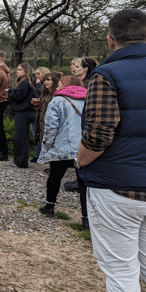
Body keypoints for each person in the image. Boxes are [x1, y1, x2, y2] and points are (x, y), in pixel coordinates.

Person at [75, 9, 146, 292]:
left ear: (110, 41)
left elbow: (99, 133)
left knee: (121, 271)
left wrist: (80, 161)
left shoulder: (106, 75)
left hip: (117, 187)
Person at [37, 75, 88, 229]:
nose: (57, 86)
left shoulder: (57, 101)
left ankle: (49, 205)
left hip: (62, 147)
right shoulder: (88, 99)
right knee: (83, 183)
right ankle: (85, 218)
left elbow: (51, 126)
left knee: (55, 176)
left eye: (59, 83)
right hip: (83, 147)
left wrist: (47, 145)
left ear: (65, 85)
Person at [64, 56, 99, 192]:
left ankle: (82, 181)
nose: (74, 69)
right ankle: (80, 179)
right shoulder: (81, 82)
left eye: (77, 67)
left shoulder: (89, 83)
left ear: (85, 69)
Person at [7, 63, 35, 168]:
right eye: (17, 69)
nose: (17, 71)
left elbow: (18, 97)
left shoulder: (24, 83)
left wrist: (10, 91)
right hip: (23, 113)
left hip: (23, 113)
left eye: (20, 70)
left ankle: (21, 161)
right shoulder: (24, 83)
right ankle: (19, 160)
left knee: (21, 137)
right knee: (19, 137)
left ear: (26, 72)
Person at [34, 72, 61, 164]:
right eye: (45, 80)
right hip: (43, 123)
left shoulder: (57, 95)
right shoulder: (46, 94)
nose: (45, 82)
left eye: (48, 80)